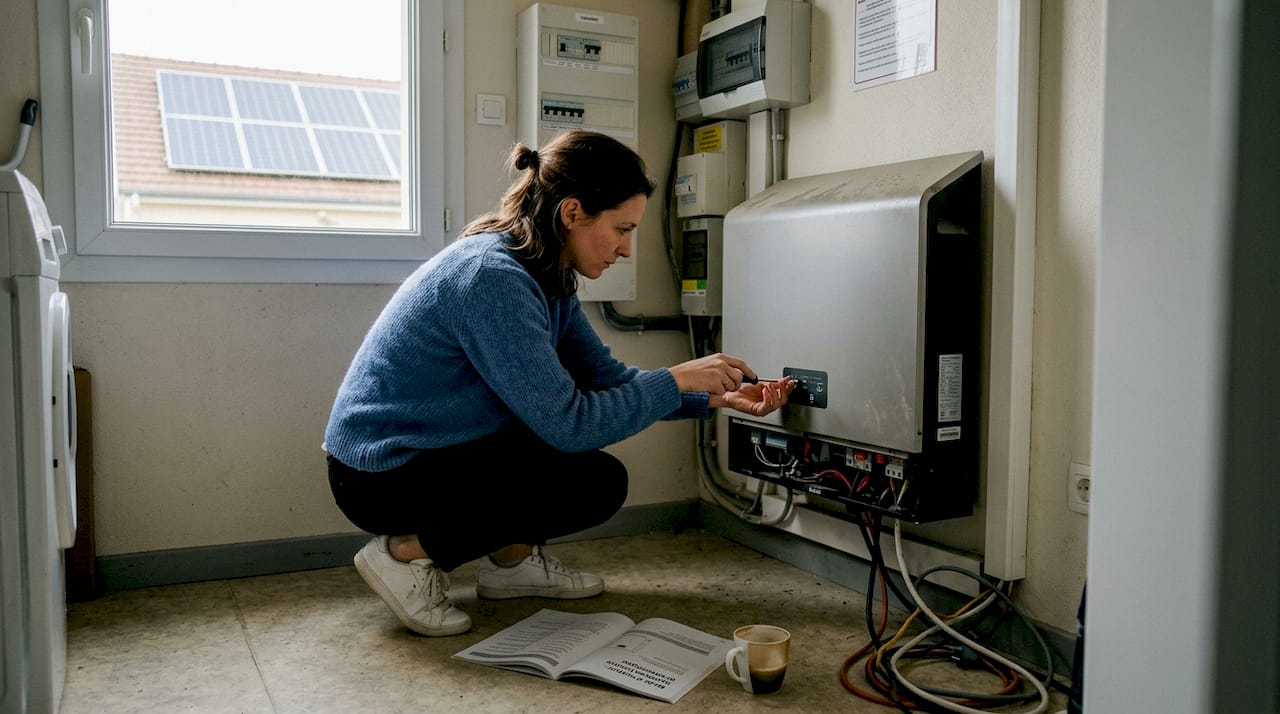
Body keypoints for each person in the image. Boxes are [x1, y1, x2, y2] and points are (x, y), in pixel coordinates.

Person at [324, 129, 795, 637]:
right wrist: (676, 378)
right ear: (572, 214)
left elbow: (605, 381)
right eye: (620, 229)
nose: (627, 249)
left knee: (568, 457)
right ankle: (403, 556)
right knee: (590, 482)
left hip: (437, 448)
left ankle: (511, 564)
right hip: (379, 473)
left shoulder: (546, 274)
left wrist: (712, 395)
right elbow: (571, 424)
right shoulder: (493, 278)